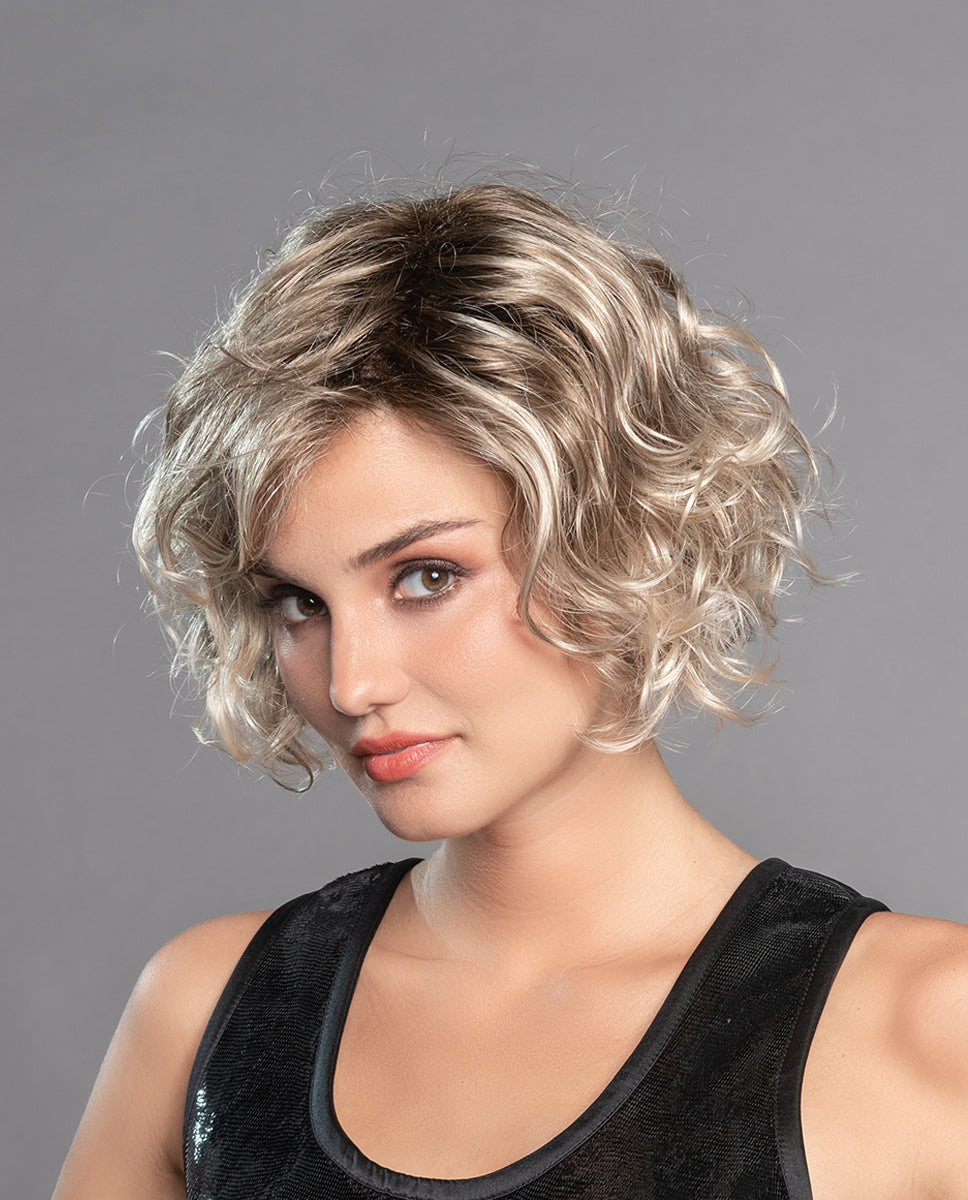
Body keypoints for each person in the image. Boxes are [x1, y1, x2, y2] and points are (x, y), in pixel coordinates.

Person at [54, 181, 968, 1200]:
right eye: (299, 604)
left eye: (425, 578)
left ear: (617, 539)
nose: (351, 682)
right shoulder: (207, 1019)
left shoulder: (928, 1028)